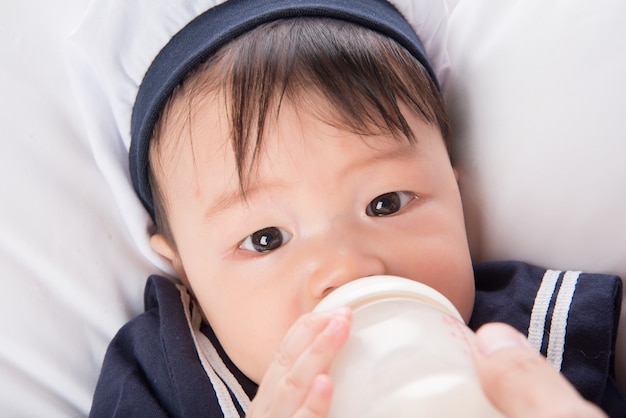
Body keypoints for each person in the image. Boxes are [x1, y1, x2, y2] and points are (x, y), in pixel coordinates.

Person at [90, 0, 624, 417]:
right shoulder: (167, 377)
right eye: (266, 239)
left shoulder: (537, 339)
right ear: (186, 272)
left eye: (386, 203)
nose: (346, 268)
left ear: (458, 200)